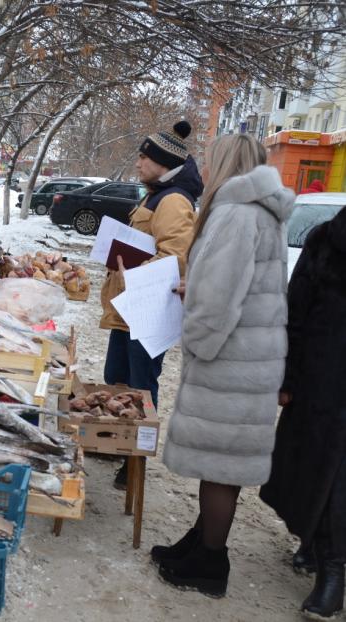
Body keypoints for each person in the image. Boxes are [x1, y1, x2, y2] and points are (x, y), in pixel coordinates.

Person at [153, 134, 294, 598]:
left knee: (219, 467)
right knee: (221, 466)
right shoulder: (259, 211)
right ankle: (200, 543)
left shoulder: (235, 213)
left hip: (230, 360)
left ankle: (210, 562)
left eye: (210, 161)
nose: (205, 170)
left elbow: (219, 300)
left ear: (226, 164)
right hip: (249, 360)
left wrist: (196, 336)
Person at [100, 120, 202, 489]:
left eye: (145, 157)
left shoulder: (173, 200)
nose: (138, 163)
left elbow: (176, 256)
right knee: (119, 380)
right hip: (130, 309)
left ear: (162, 162)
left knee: (141, 388)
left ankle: (136, 463)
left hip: (147, 311)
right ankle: (118, 444)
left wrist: (135, 271)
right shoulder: (155, 193)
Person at [259, 205, 346, 619]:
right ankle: (314, 545)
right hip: (321, 383)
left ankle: (333, 570)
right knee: (315, 471)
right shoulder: (327, 239)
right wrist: (288, 377)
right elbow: (296, 312)